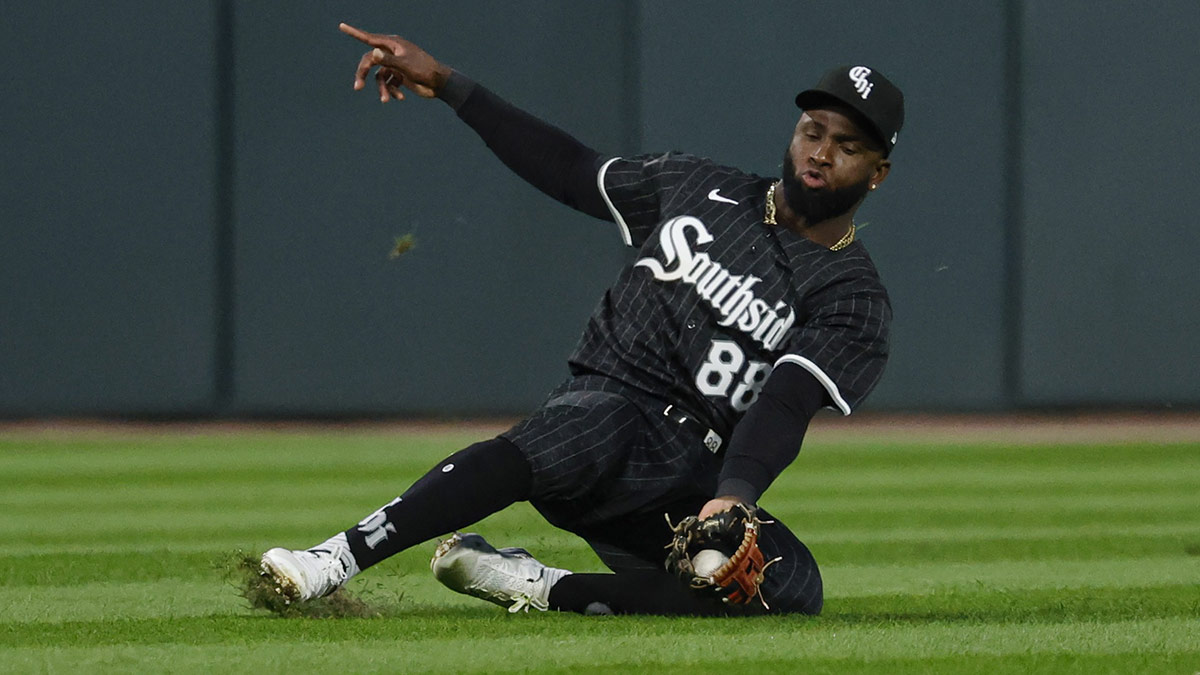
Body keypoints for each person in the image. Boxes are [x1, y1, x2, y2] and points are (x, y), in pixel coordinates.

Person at [259, 22, 904, 616]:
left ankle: (538, 585)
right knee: (586, 430)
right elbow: (571, 170)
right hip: (607, 408)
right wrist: (452, 85)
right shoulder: (696, 187)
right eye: (812, 131)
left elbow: (784, 405)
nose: (820, 153)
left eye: (846, 146)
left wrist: (733, 496)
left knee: (788, 588)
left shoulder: (853, 296)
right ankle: (331, 559)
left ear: (877, 173)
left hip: (687, 475)